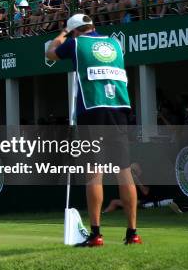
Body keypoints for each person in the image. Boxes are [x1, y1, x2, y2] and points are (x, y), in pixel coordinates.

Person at [46, 13, 141, 246]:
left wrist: (62, 34)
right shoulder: (115, 43)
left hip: (93, 109)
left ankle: (96, 234)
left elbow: (50, 52)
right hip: (119, 107)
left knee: (94, 173)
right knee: (124, 172)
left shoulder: (75, 42)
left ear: (75, 30)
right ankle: (133, 234)